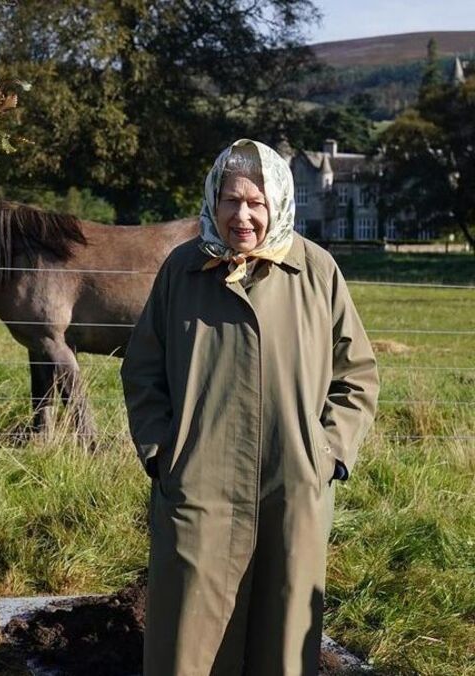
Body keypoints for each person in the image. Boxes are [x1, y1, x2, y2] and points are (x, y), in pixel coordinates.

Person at [120, 139, 379, 675]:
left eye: (256, 203)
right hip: (198, 487)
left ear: (278, 202)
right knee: (187, 643)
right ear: (213, 201)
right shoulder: (182, 271)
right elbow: (142, 370)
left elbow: (357, 375)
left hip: (293, 484)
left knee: (282, 642)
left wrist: (325, 455)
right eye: (231, 201)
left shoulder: (316, 271)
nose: (243, 216)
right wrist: (162, 452)